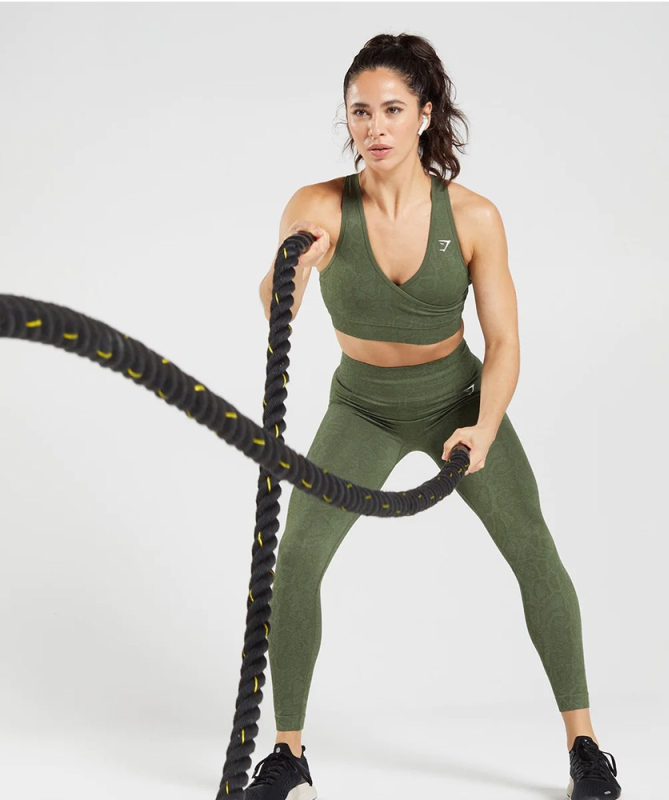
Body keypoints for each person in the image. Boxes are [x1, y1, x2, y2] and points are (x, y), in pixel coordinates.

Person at [250, 33, 621, 800]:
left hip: (457, 398)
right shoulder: (317, 206)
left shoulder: (475, 216)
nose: (375, 126)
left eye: (392, 109)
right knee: (298, 560)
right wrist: (295, 262)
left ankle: (586, 748)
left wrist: (483, 428)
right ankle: (288, 755)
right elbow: (277, 310)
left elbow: (505, 342)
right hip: (361, 407)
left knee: (533, 549)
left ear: (424, 114)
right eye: (360, 111)